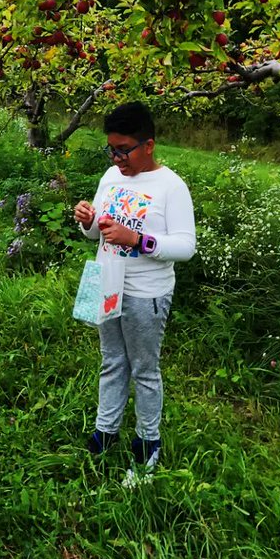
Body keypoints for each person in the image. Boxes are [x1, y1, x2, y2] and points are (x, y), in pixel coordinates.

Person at [73, 102, 196, 468]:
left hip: (146, 292)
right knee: (111, 362)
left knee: (144, 369)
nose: (117, 158)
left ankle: (147, 444)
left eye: (123, 149)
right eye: (111, 149)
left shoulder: (171, 187)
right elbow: (97, 232)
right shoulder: (110, 178)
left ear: (149, 145)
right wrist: (87, 220)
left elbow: (185, 247)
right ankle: (105, 432)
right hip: (105, 281)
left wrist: (138, 239)